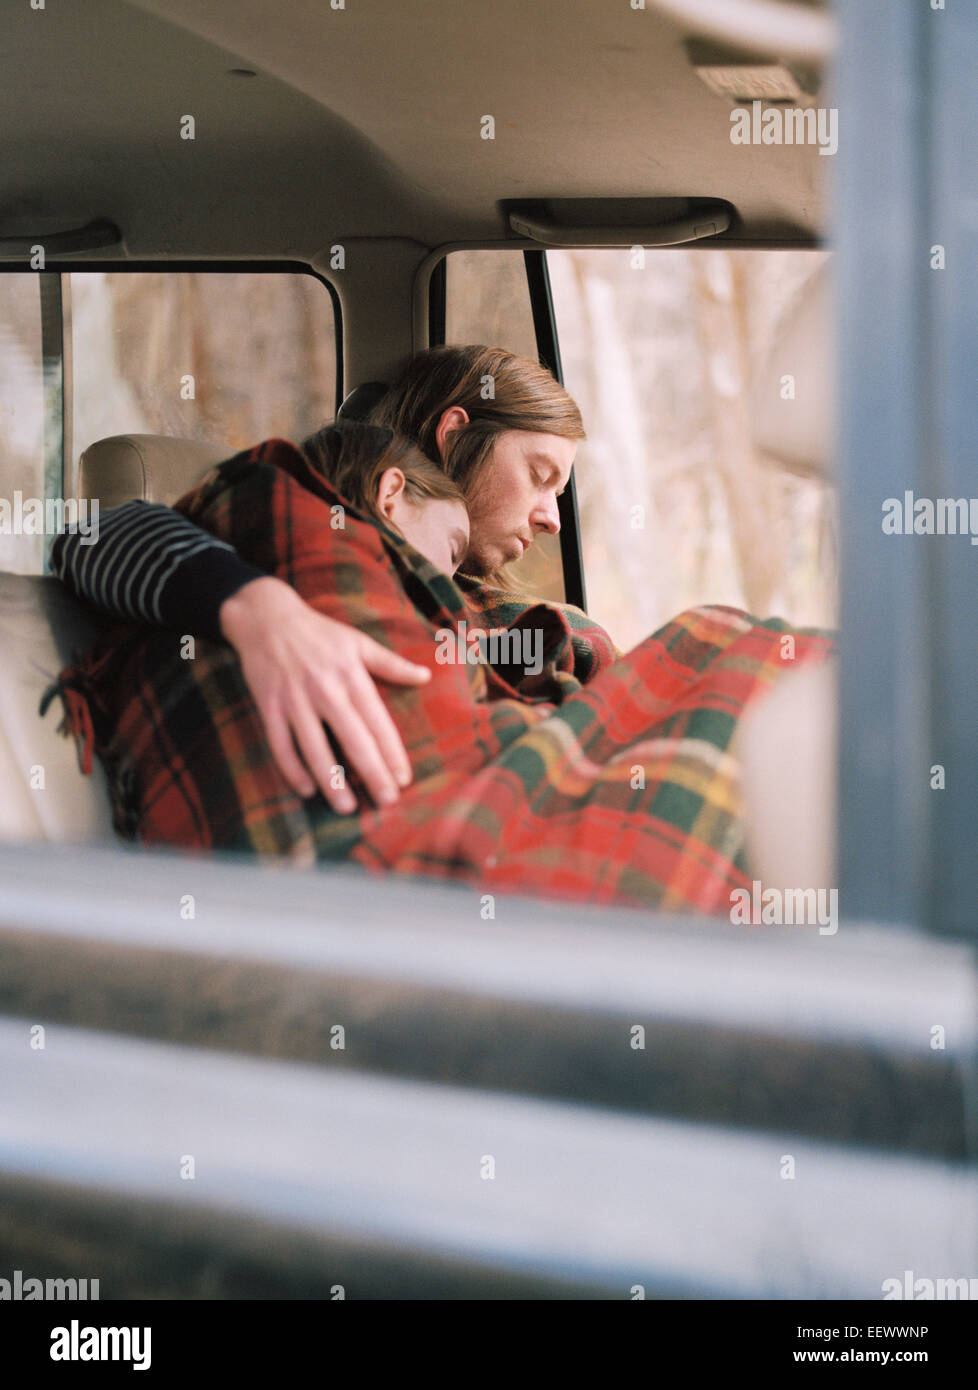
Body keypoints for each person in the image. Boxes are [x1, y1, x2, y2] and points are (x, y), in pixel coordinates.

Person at [52, 346, 584, 813]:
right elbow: (93, 537)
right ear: (454, 437)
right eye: (540, 477)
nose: (552, 519)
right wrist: (263, 612)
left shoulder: (493, 612)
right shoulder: (291, 540)